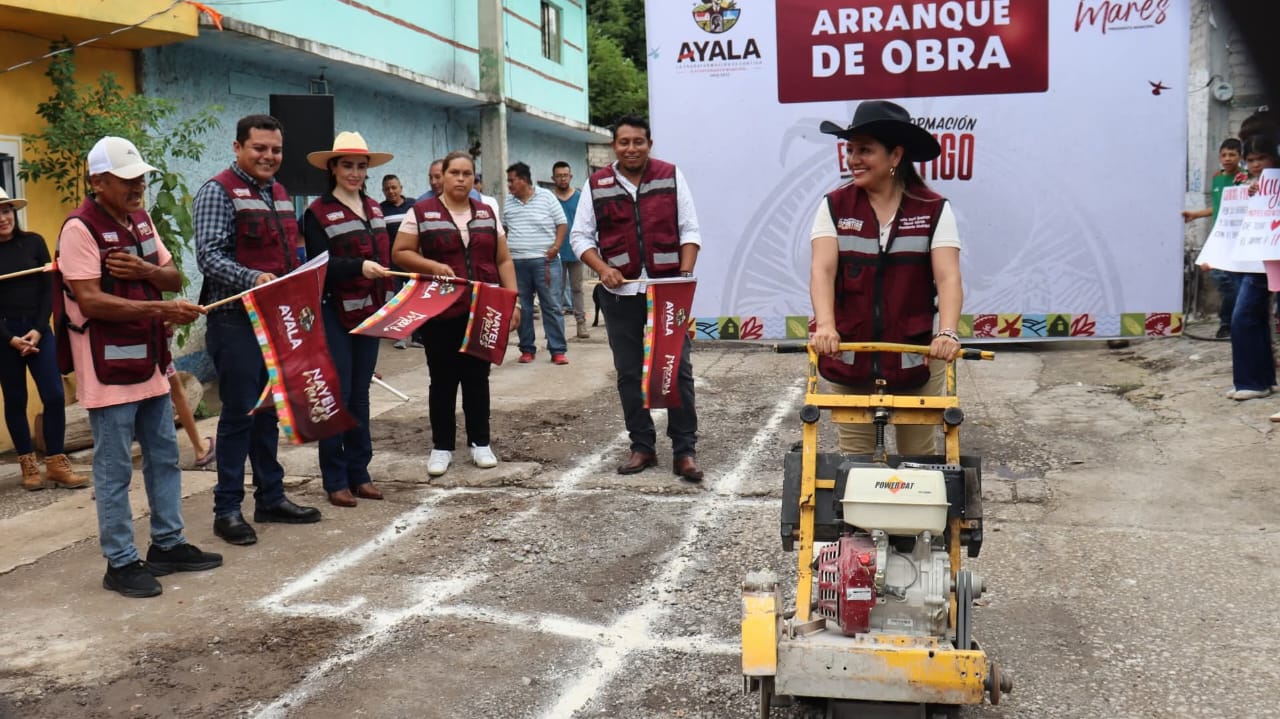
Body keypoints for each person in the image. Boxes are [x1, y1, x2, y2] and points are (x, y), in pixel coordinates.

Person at [57, 136, 221, 597]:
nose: (137, 187)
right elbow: (89, 300)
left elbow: (172, 277)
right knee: (114, 470)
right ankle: (121, 561)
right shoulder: (78, 230)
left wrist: (147, 274)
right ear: (98, 182)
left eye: (141, 179)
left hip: (149, 361)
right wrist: (161, 312)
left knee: (165, 455)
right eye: (127, 180)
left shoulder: (142, 221)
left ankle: (167, 543)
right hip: (107, 369)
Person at [194, 114, 322, 546]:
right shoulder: (217, 191)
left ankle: (270, 497)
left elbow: (289, 253)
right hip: (235, 321)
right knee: (238, 415)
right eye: (259, 148)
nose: (269, 157)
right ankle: (226, 509)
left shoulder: (281, 193)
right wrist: (254, 279)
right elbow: (210, 257)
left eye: (276, 150)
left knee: (268, 410)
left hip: (276, 318)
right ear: (238, 147)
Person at [809, 100, 964, 456]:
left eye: (865, 150)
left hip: (916, 353)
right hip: (849, 352)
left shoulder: (933, 209)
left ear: (895, 156)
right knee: (855, 460)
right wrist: (826, 326)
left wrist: (948, 331)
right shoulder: (833, 206)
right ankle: (859, 514)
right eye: (850, 150)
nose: (853, 159)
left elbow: (948, 277)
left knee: (918, 459)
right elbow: (822, 270)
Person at [569, 115, 705, 482]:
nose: (632, 148)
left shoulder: (671, 175)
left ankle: (685, 450)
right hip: (620, 295)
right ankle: (642, 446)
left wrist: (684, 276)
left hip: (667, 294)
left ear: (650, 143)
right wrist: (601, 269)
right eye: (624, 142)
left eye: (639, 142)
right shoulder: (596, 184)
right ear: (614, 146)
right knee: (629, 374)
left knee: (677, 371)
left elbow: (690, 229)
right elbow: (580, 237)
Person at [392, 151, 519, 477]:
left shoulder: (487, 213)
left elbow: (503, 260)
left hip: (483, 310)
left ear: (474, 179)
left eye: (467, 174)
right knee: (443, 380)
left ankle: (481, 443)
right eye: (454, 173)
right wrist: (432, 266)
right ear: (442, 177)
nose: (461, 179)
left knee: (478, 379)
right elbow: (400, 252)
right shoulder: (420, 212)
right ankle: (441, 447)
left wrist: (512, 301)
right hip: (440, 311)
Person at [303, 132, 395, 507]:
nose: (355, 173)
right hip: (333, 312)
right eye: (347, 166)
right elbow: (316, 266)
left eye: (361, 166)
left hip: (369, 313)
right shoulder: (316, 213)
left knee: (360, 395)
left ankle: (360, 473)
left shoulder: (375, 209)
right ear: (333, 168)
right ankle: (334, 478)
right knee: (336, 395)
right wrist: (359, 266)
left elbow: (387, 260)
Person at [0, 188, 88, 491]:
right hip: (5, 337)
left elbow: (47, 289)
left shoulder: (34, 242)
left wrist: (38, 328)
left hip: (38, 330)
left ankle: (55, 462)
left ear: (14, 212)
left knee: (52, 395)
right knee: (15, 399)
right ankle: (27, 464)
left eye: (7, 210)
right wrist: (10, 338)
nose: (3, 218)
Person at [1223, 131, 1279, 403]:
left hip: (1266, 260)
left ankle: (1251, 381)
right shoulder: (1249, 184)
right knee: (1255, 318)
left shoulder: (1272, 185)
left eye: (1262, 158)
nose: (1256, 165)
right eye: (1251, 159)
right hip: (1253, 259)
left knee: (1242, 318)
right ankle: (1263, 380)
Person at [505, 161, 569, 364]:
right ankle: (527, 349)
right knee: (522, 307)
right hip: (517, 263)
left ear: (523, 181)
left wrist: (556, 247)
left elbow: (562, 223)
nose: (509, 185)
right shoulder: (508, 202)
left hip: (545, 262)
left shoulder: (547, 197)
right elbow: (504, 230)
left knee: (551, 305)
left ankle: (557, 350)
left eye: (511, 181)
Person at [1185, 138, 1243, 339]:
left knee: (1233, 282)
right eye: (1224, 155)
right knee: (1221, 278)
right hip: (1219, 237)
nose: (1227, 158)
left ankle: (1229, 322)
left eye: (1232, 154)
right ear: (1219, 156)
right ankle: (1229, 321)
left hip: (1237, 238)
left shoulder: (1243, 180)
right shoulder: (1217, 178)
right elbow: (1218, 207)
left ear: (1240, 157)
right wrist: (1196, 214)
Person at [380, 173, 421, 350]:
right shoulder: (380, 210)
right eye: (387, 189)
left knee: (416, 299)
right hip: (393, 265)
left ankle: (418, 337)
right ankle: (401, 337)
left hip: (414, 262)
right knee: (398, 300)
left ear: (401, 188)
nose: (391, 191)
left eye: (394, 187)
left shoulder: (413, 205)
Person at [552, 161, 590, 339]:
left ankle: (581, 323)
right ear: (553, 178)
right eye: (559, 176)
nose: (562, 179)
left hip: (576, 250)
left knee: (577, 288)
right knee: (555, 290)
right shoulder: (550, 199)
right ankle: (555, 328)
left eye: (565, 175)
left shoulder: (580, 197)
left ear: (570, 176)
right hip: (555, 252)